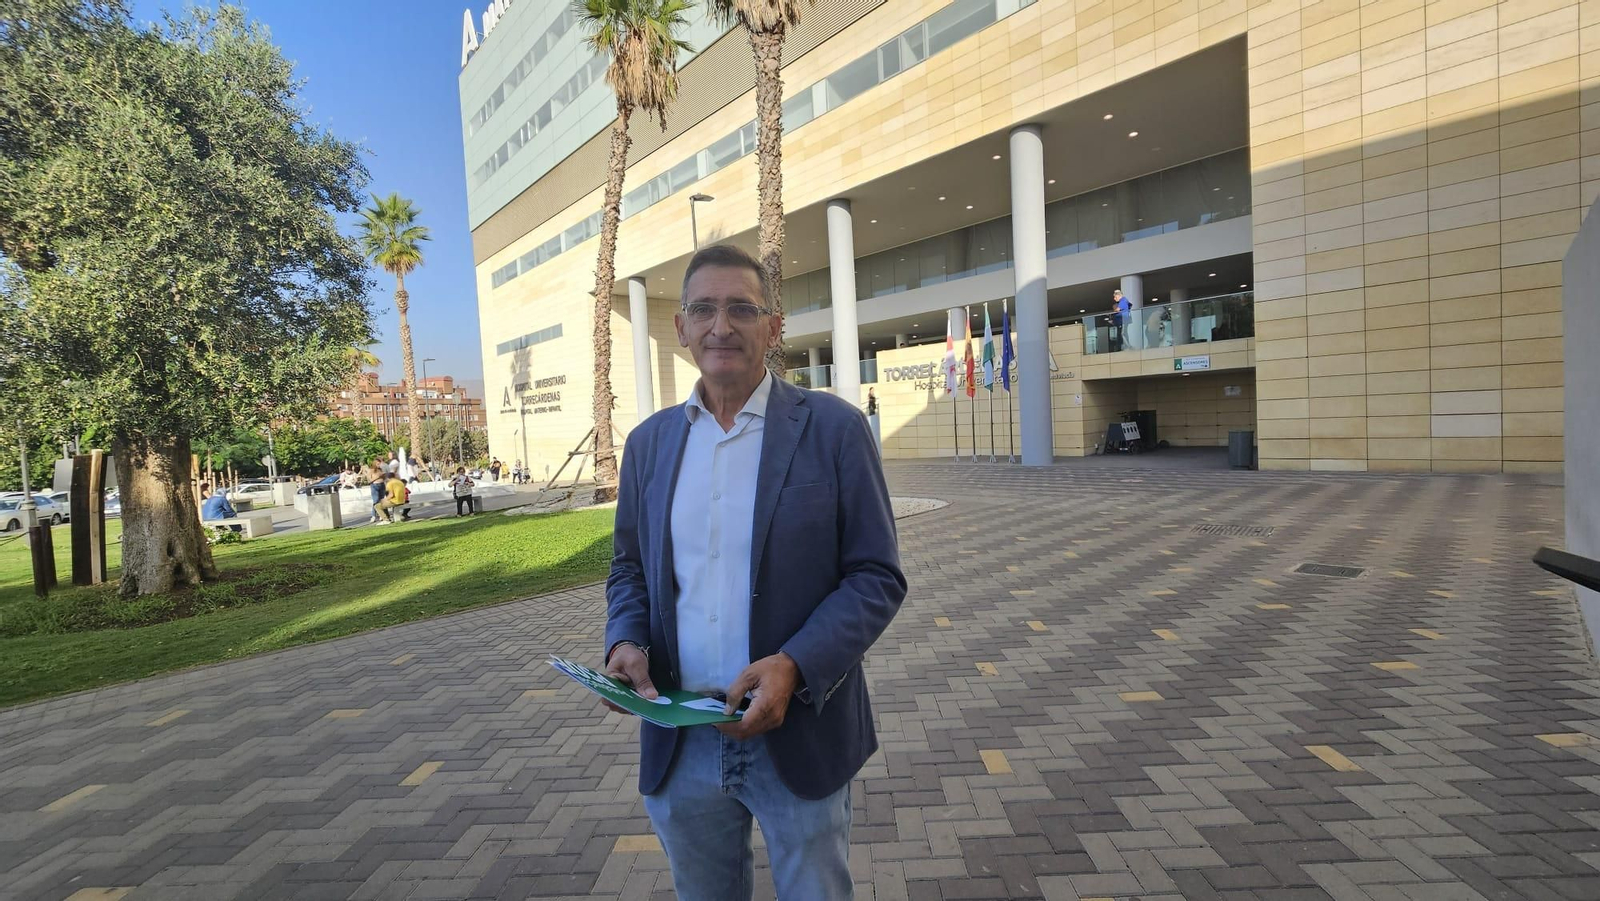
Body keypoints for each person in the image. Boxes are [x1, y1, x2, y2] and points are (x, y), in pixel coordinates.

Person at [604, 244, 906, 901]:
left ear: (773, 326)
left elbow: (876, 574)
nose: (722, 326)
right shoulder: (649, 444)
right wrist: (626, 642)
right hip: (681, 739)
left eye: (743, 308)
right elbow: (629, 565)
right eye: (704, 309)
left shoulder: (835, 429)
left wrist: (794, 663)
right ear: (681, 328)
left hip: (798, 733)